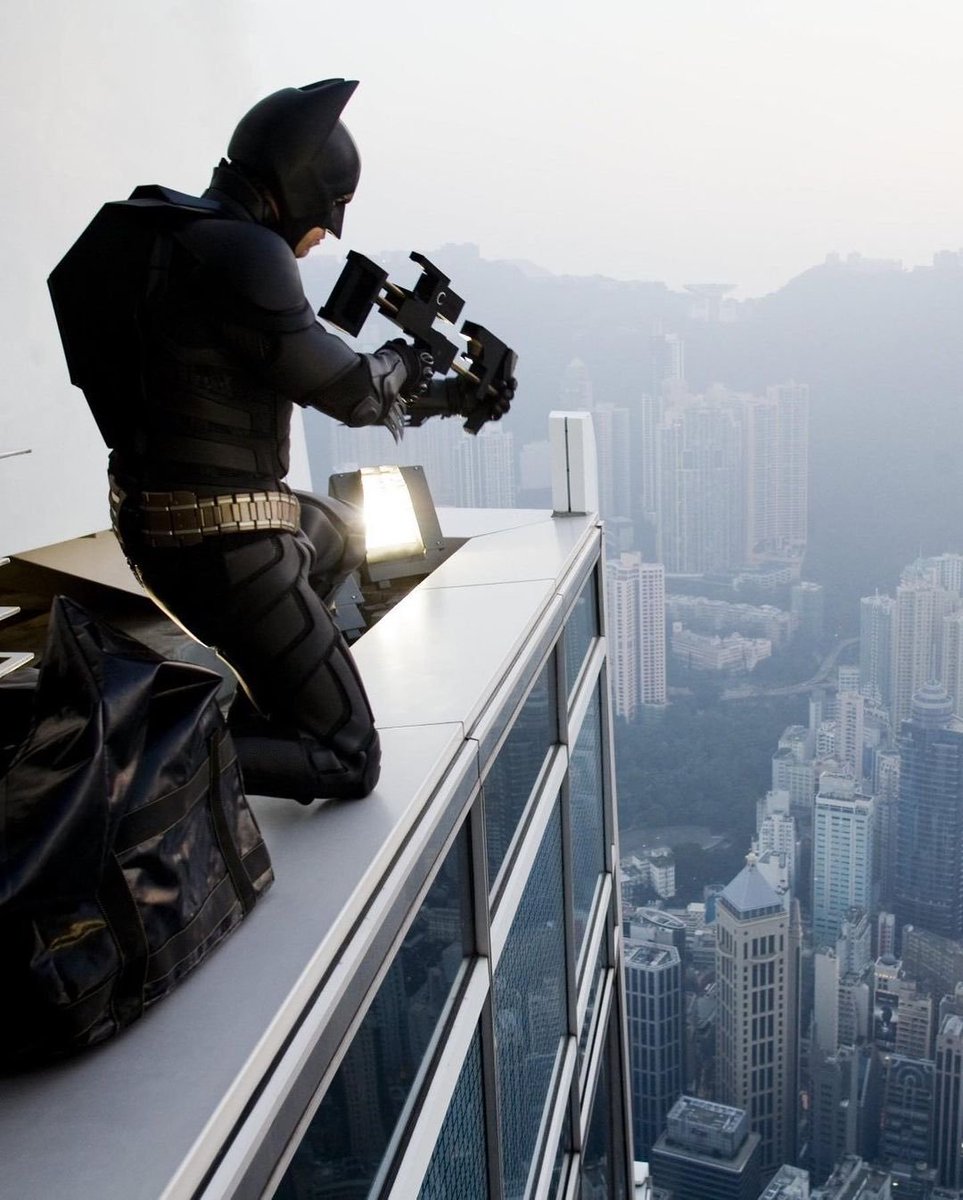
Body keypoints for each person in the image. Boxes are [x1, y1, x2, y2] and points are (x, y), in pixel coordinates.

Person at [49, 78, 513, 803]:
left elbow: (305, 369)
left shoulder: (158, 234)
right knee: (346, 757)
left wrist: (449, 394)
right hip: (227, 543)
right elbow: (355, 391)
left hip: (172, 520)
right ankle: (124, 761)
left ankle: (276, 690)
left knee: (339, 534)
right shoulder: (244, 253)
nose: (328, 232)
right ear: (299, 186)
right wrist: (404, 359)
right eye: (331, 211)